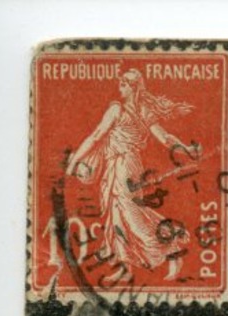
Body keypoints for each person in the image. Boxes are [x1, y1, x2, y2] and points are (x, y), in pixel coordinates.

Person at [65, 69, 198, 280]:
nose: (120, 86)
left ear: (133, 87)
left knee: (133, 216)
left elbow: (97, 136)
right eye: (121, 82)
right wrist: (185, 148)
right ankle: (125, 269)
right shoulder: (141, 110)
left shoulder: (119, 110)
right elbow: (165, 137)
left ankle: (172, 250)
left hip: (124, 166)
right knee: (116, 215)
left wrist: (73, 162)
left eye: (124, 83)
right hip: (118, 166)